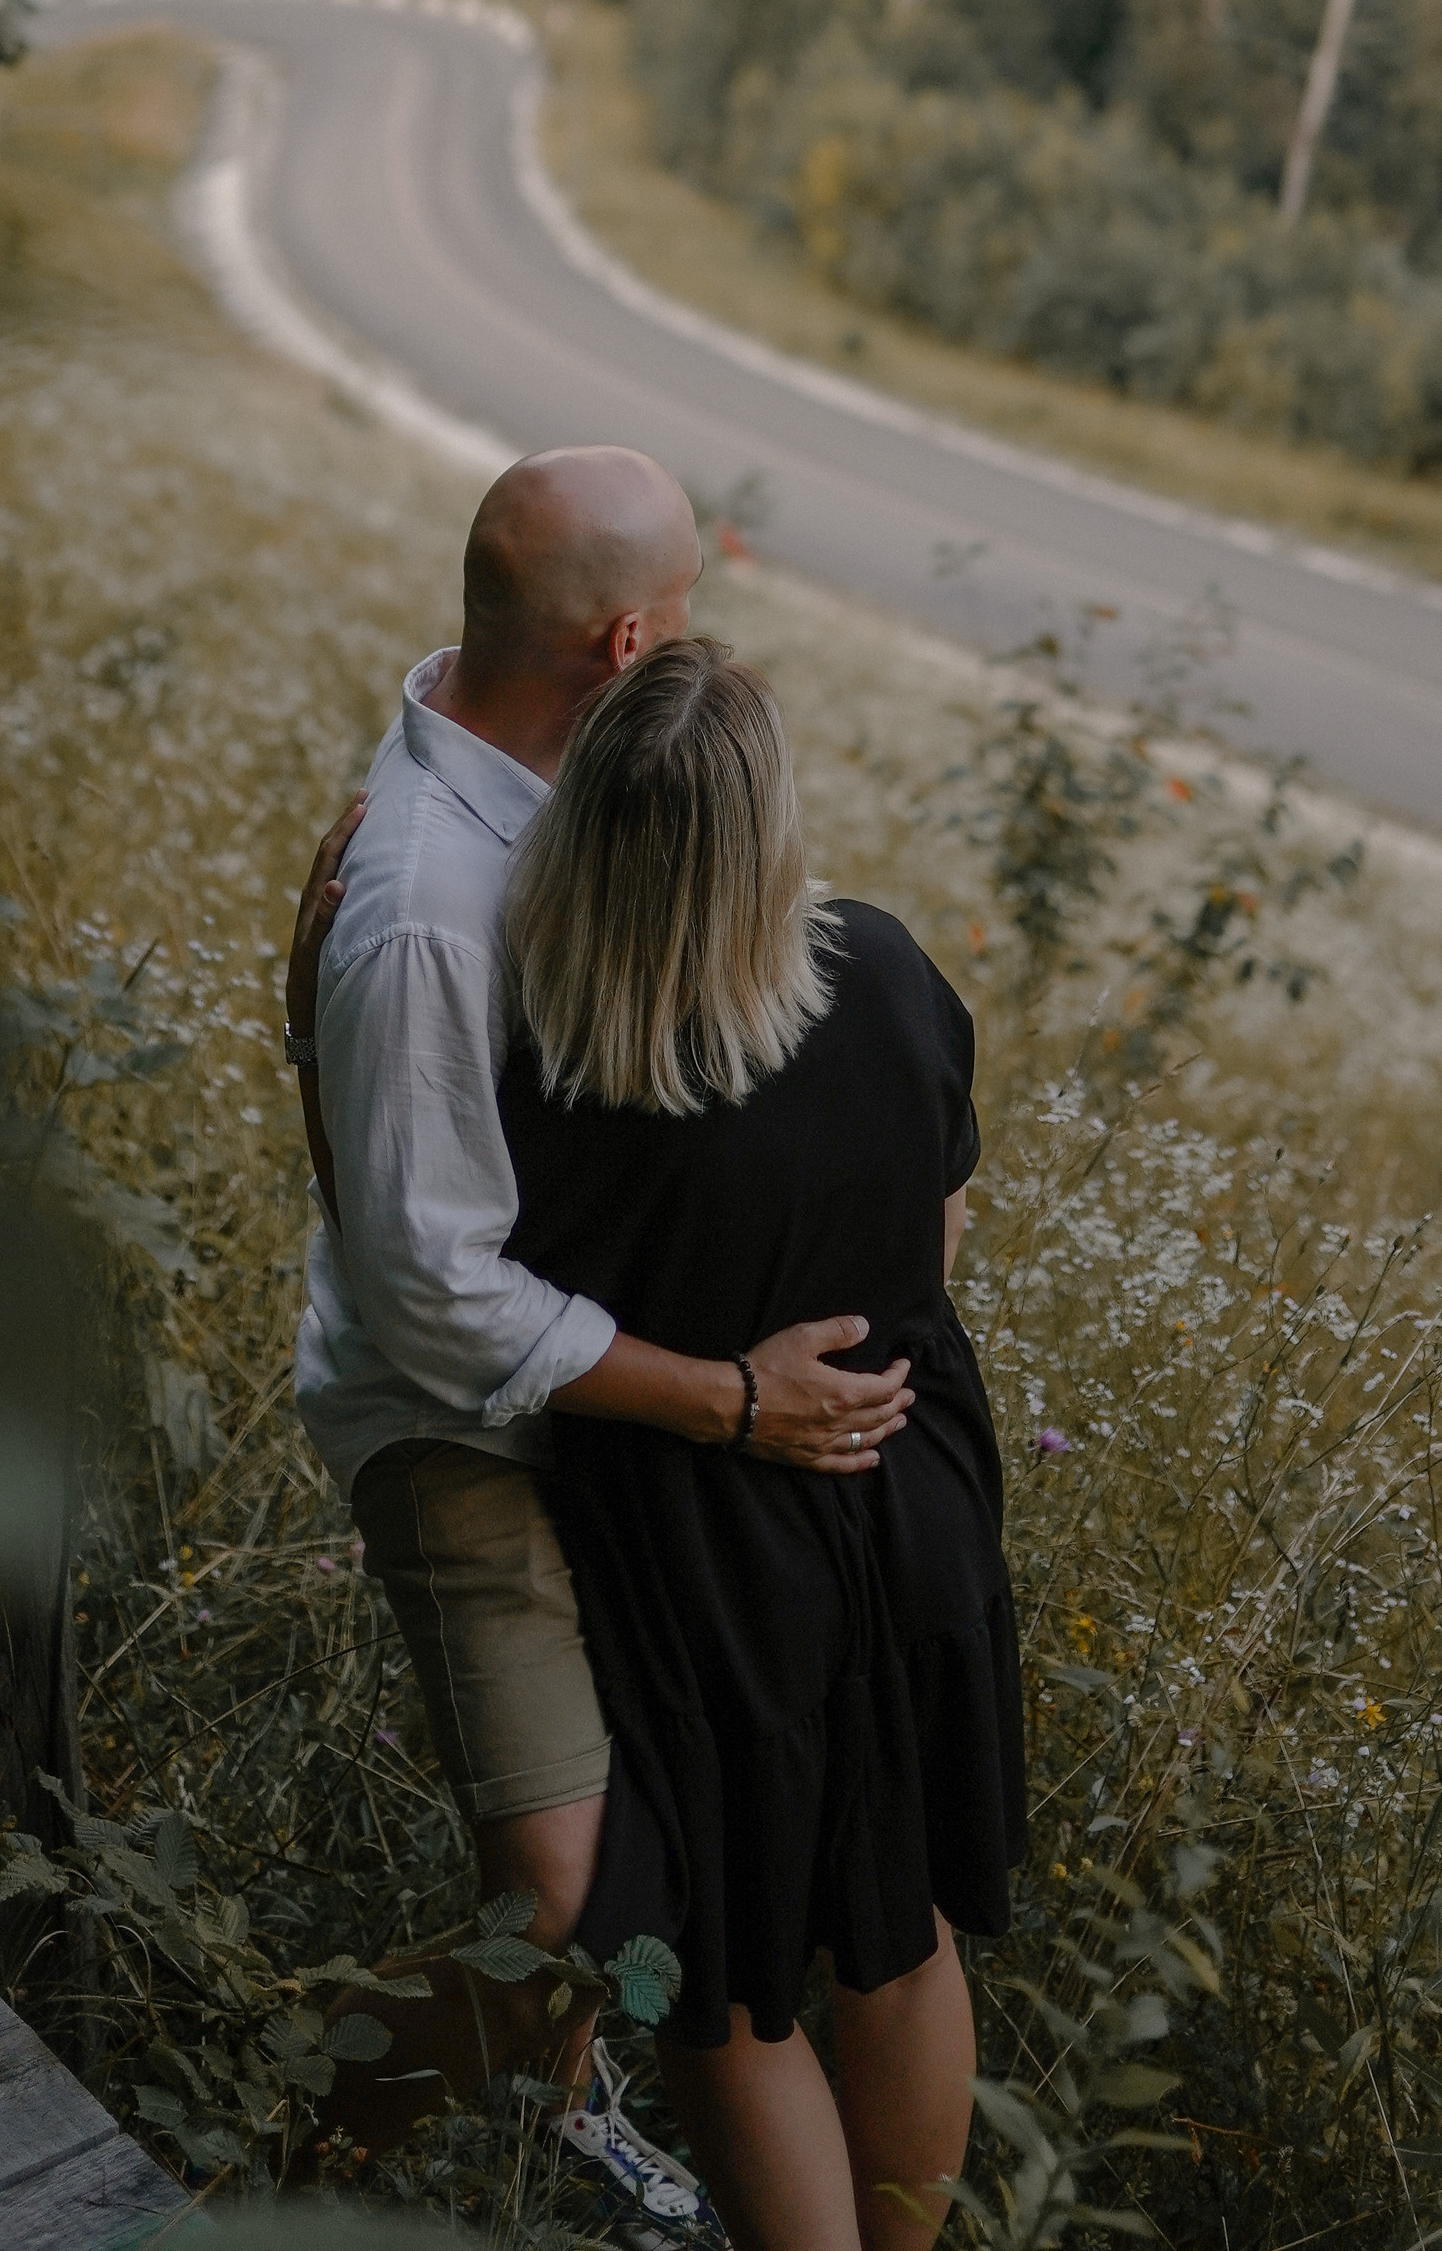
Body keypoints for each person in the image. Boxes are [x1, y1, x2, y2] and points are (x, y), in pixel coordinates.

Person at [283, 447, 916, 2206]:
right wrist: (725, 1400)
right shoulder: (424, 910)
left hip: (607, 1397)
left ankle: (561, 2118)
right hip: (466, 1424)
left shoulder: (527, 755)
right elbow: (429, 1287)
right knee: (567, 1905)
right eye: (690, 618)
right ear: (625, 633)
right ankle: (279, 2183)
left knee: (675, 1830)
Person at [497, 634, 1026, 2251]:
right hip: (908, 1496)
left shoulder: (551, 1059)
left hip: (711, 1552)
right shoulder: (877, 969)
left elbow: (507, 1335)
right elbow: (934, 1240)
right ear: (769, 825)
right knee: (898, 1930)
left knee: (725, 1991)